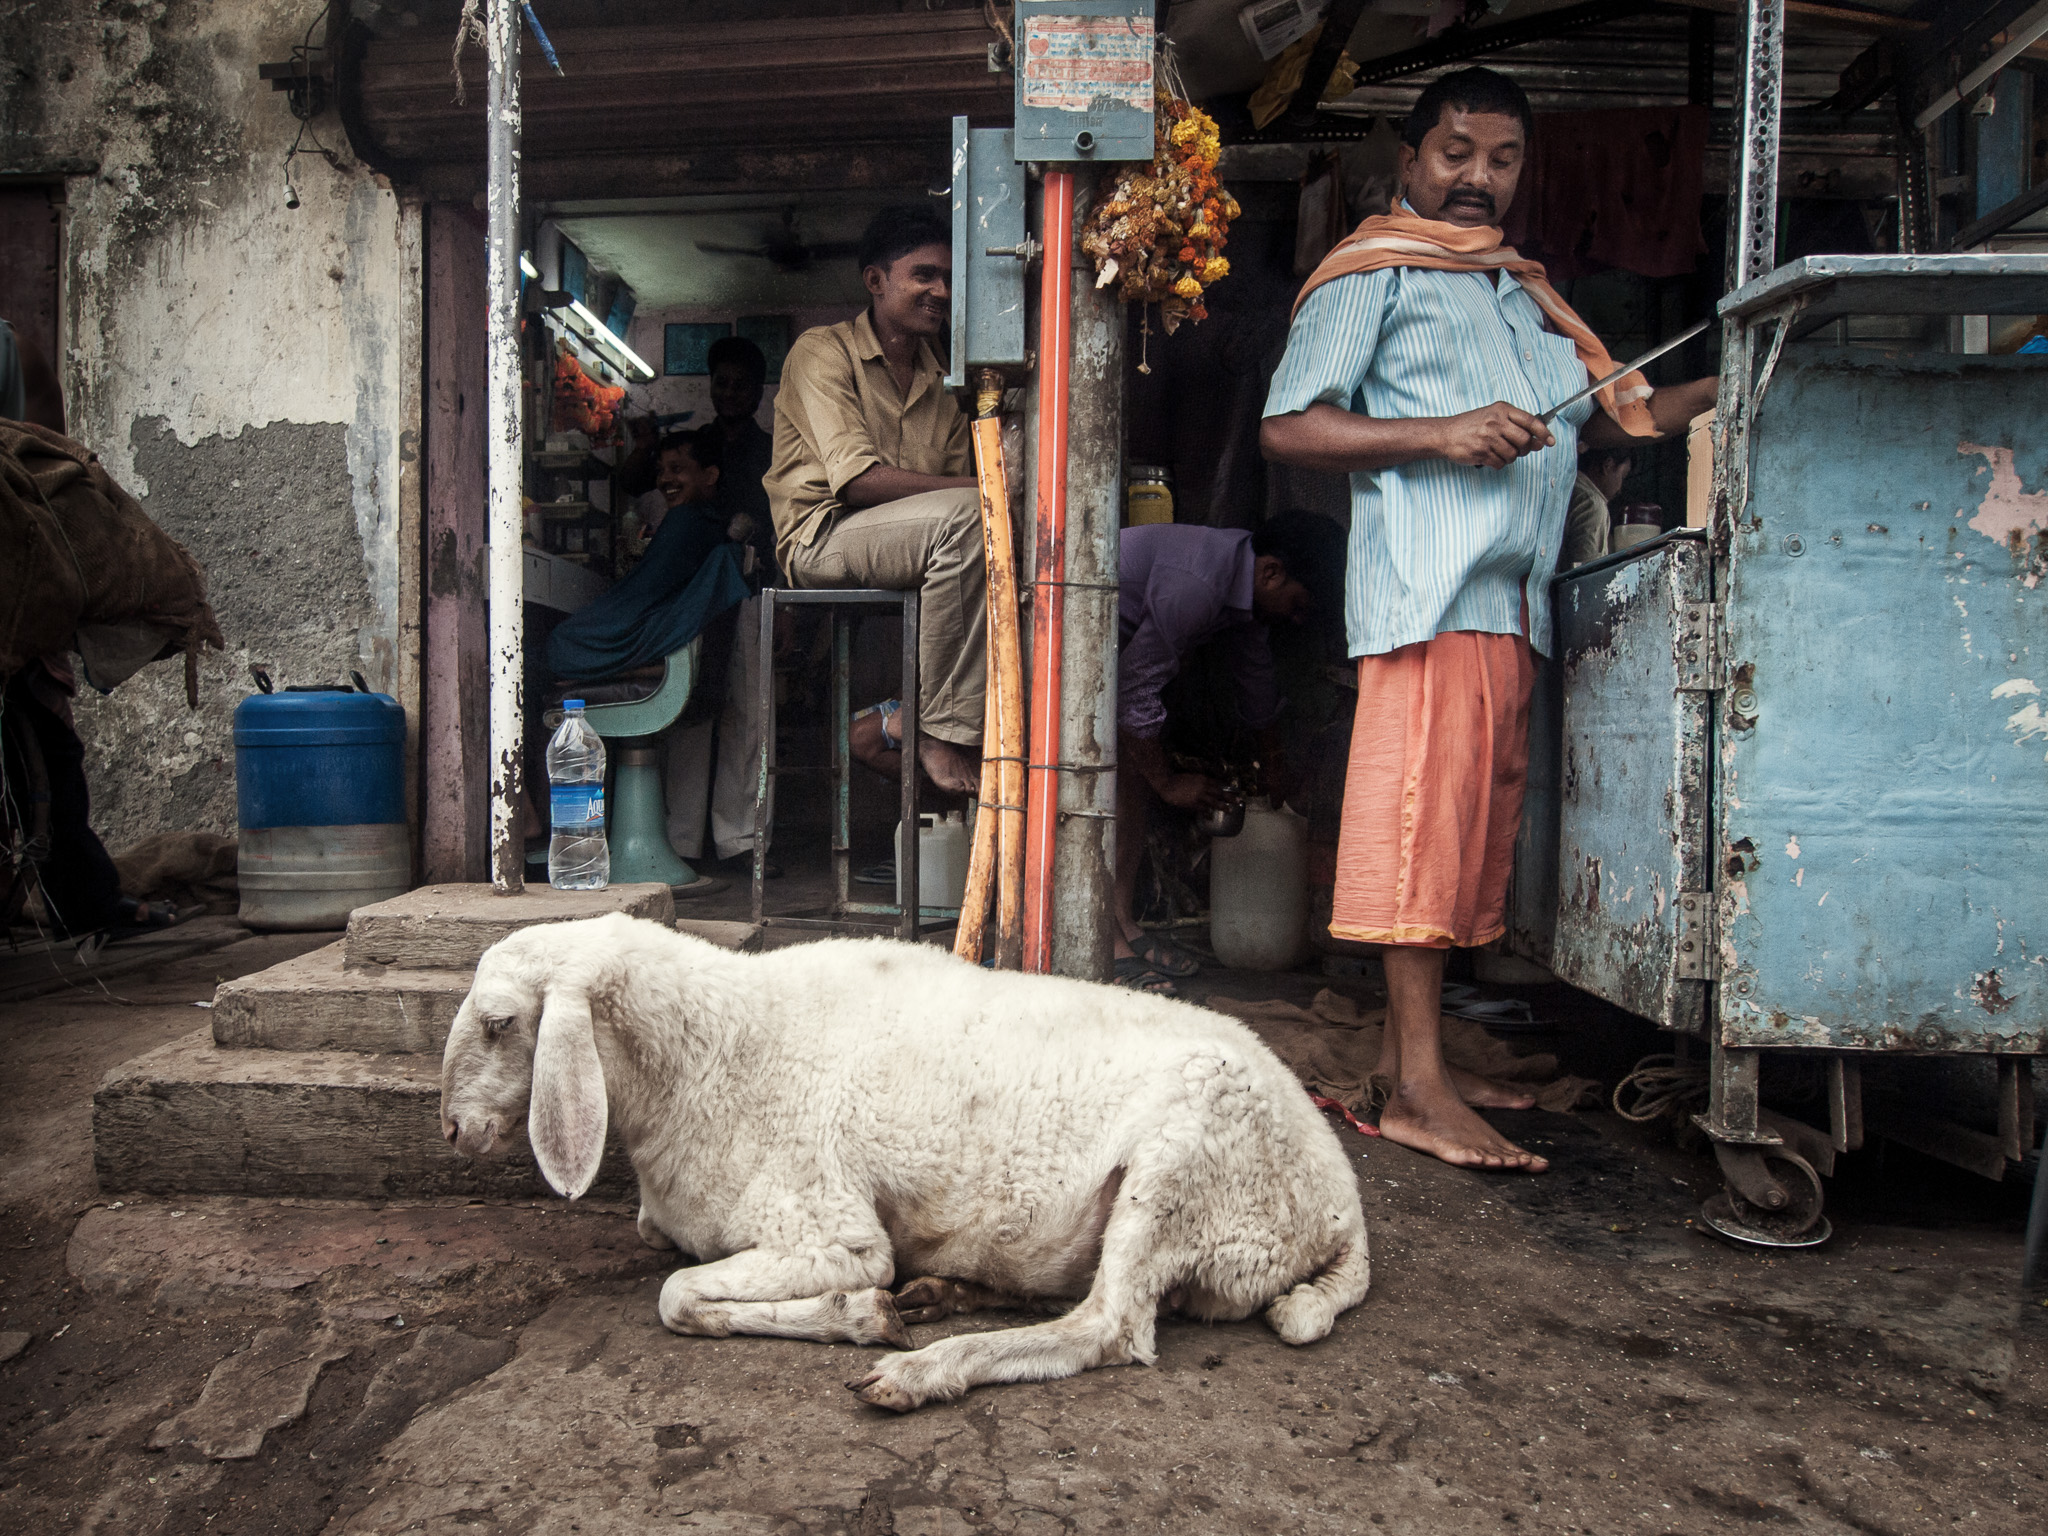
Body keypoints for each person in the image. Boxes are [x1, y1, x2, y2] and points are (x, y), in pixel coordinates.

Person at [1260, 66, 1718, 1173]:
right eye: (1456, 152)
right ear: (1411, 159)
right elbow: (1289, 427)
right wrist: (1440, 432)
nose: (1477, 177)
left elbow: (1621, 417)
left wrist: (1729, 375)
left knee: (1467, 846)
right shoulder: (1373, 272)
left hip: (1512, 604)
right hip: (1430, 596)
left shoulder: (1520, 291)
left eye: (1501, 159)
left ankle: (1418, 1063)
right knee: (1420, 838)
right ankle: (1417, 1092)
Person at [766, 205, 985, 796]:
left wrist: (980, 498)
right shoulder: (822, 350)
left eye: (948, 278)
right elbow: (858, 481)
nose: (941, 291)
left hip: (905, 540)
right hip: (821, 537)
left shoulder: (943, 379)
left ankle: (919, 722)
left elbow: (944, 495)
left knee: (995, 533)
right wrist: (986, 491)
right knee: (975, 516)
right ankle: (935, 729)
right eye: (924, 275)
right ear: (875, 280)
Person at [1111, 512, 1347, 996]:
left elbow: (1255, 680)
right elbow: (1133, 692)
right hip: (1050, 637)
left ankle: (1121, 924)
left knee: (1131, 775)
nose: (1296, 620)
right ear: (1272, 573)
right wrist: (1169, 783)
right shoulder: (1197, 586)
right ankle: (1104, 944)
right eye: (1298, 606)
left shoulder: (1243, 586)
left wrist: (1275, 764)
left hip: (1110, 660)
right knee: (1107, 778)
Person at [1564, 445, 1630, 568]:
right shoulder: (1592, 504)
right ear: (1608, 465)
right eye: (1623, 475)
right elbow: (1587, 569)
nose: (1620, 488)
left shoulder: (1567, 486)